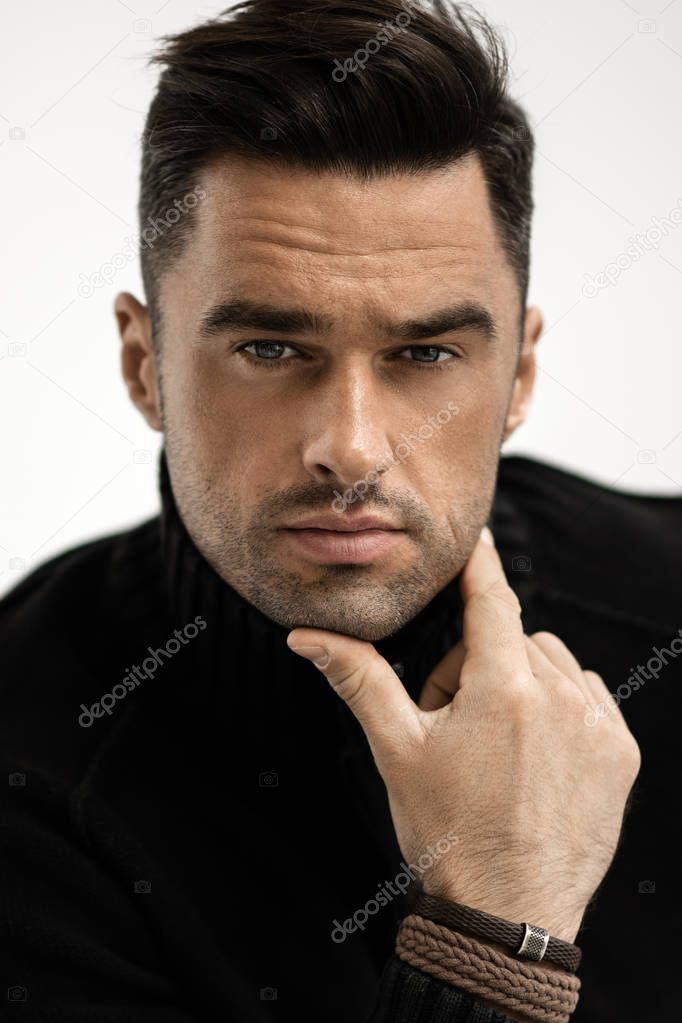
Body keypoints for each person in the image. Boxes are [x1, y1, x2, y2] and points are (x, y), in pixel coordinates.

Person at [1, 2, 677, 1020]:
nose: (353, 448)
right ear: (145, 365)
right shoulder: (30, 779)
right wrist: (495, 935)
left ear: (521, 371)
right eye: (271, 349)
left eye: (424, 355)